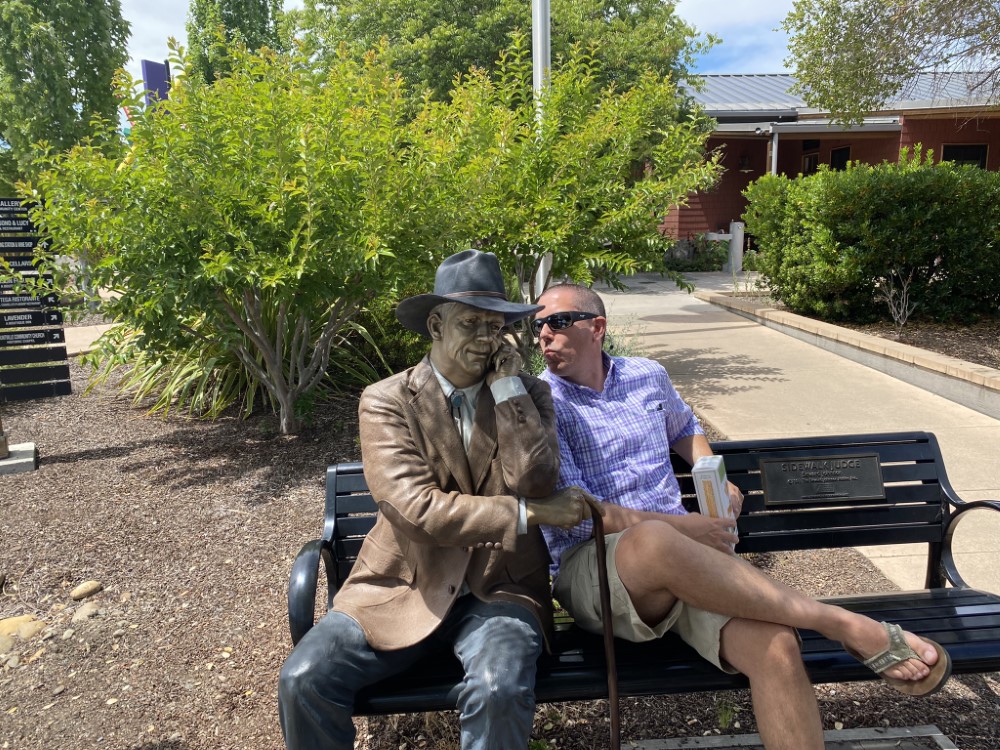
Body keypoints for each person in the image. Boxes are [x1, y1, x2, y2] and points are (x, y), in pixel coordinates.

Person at [532, 282, 953, 750]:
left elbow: (684, 425)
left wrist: (714, 474)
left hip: (685, 561)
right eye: (537, 326)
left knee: (777, 647)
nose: (544, 334)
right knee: (653, 539)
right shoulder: (540, 403)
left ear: (597, 327)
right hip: (595, 567)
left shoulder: (646, 375)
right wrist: (688, 527)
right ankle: (841, 623)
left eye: (557, 321)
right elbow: (579, 515)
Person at [278, 251, 594, 750]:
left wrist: (507, 389)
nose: (486, 339)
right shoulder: (387, 400)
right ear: (435, 325)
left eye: (495, 326)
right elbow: (414, 508)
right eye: (470, 324)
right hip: (401, 586)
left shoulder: (528, 394)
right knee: (303, 681)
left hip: (500, 588)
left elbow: (534, 479)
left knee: (497, 687)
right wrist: (527, 515)